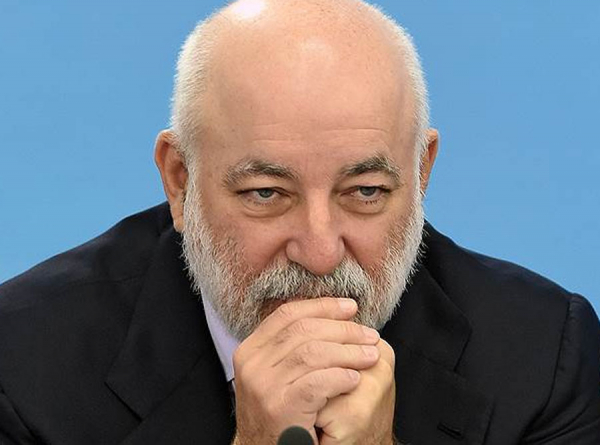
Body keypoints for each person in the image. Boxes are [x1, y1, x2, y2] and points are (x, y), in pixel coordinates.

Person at [0, 0, 598, 443]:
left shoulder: (546, 355)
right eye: (266, 193)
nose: (319, 253)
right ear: (180, 181)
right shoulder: (22, 361)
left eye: (365, 191)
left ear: (420, 177)